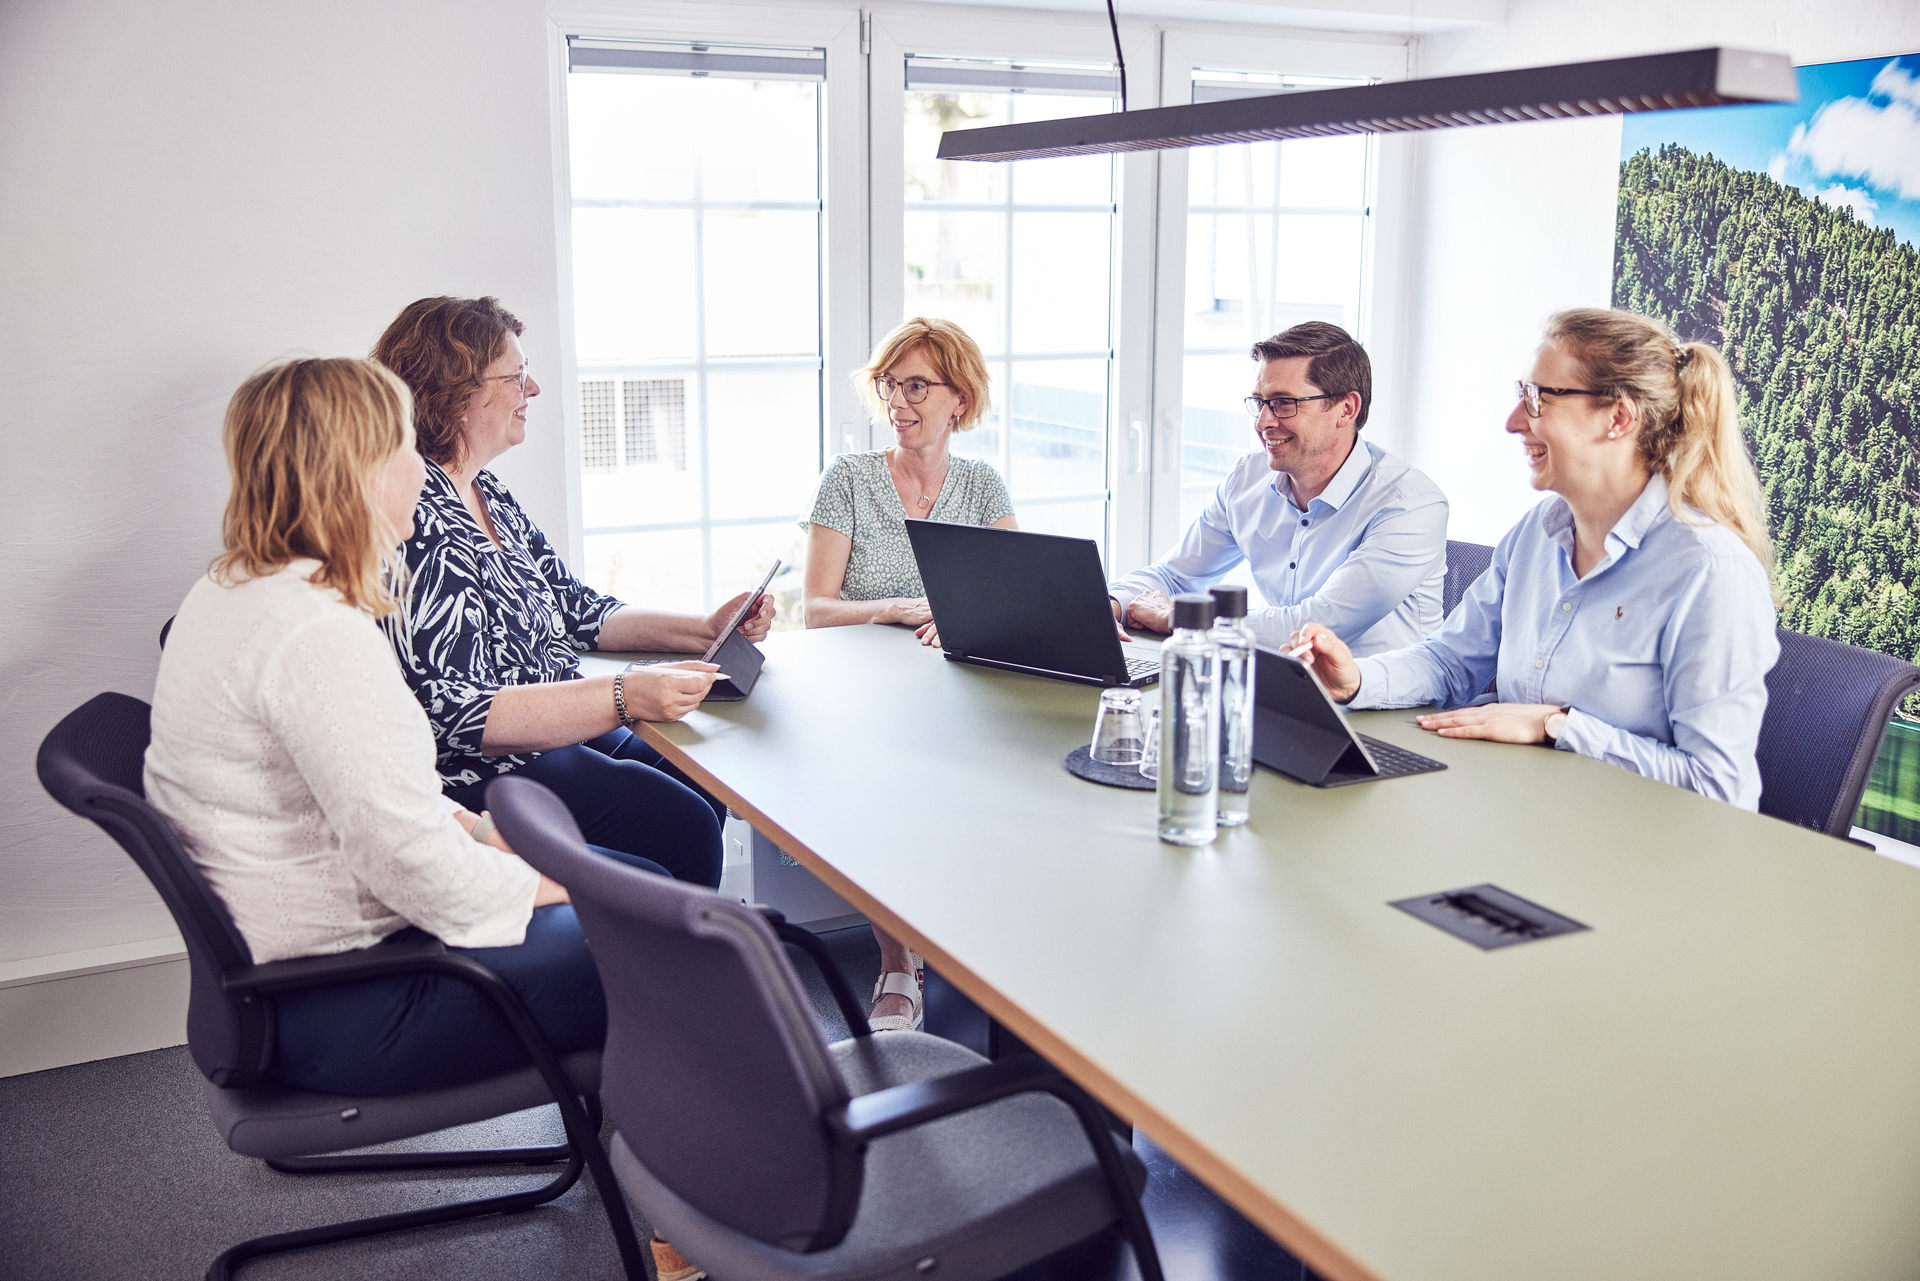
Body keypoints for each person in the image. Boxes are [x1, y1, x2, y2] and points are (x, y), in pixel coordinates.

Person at [1292, 308, 1779, 809]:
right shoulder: (1536, 533)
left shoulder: (1711, 571)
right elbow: (1451, 661)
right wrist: (1356, 679)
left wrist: (1558, 726)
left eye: (1539, 398)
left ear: (1618, 417)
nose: (1514, 422)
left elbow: (1717, 786)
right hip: (1527, 810)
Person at [373, 296, 772, 893]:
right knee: (682, 825)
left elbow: (577, 609)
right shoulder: (419, 518)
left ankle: (660, 935)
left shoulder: (485, 492)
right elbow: (457, 712)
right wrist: (623, 694)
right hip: (487, 765)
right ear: (458, 394)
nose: (532, 389)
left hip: (555, 730)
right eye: (515, 377)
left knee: (703, 778)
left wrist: (704, 628)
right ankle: (669, 948)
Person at [801, 316, 1015, 1032]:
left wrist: (967, 616)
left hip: (959, 691)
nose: (898, 401)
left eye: (917, 385)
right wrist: (894, 608)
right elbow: (816, 610)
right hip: (863, 696)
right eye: (890, 385)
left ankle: (978, 948)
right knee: (878, 789)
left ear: (960, 398)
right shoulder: (849, 480)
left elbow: (1015, 597)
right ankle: (898, 964)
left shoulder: (982, 487)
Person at [1108, 321, 1448, 655]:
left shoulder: (1410, 506)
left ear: (1346, 409)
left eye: (1284, 403)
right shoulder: (1247, 479)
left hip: (1379, 690)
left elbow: (1318, 624)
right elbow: (1176, 576)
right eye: (1259, 402)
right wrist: (1112, 605)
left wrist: (1181, 618)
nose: (1263, 422)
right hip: (1282, 679)